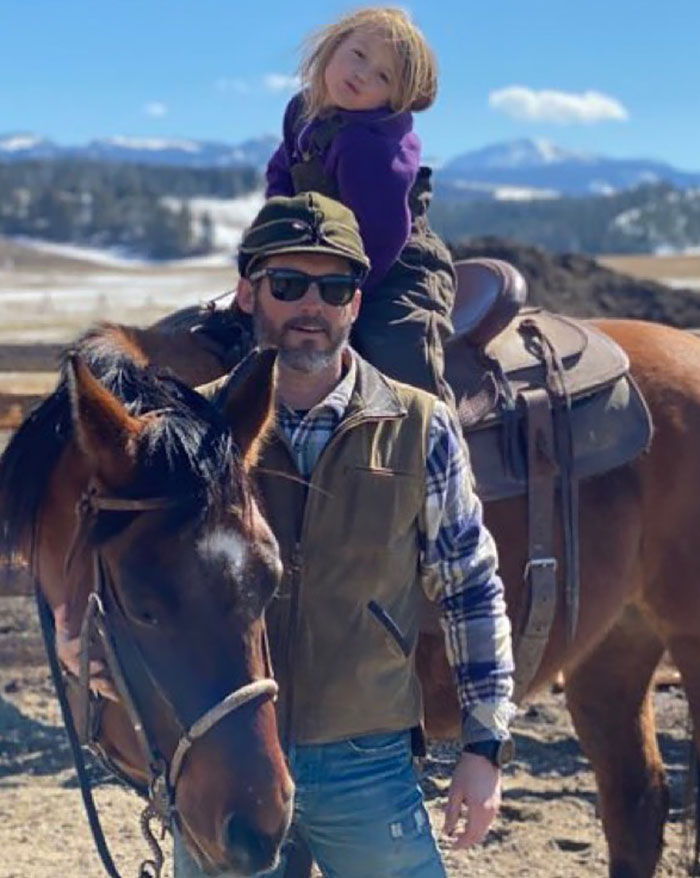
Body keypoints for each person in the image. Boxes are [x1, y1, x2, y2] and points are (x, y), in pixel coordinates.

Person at [57, 193, 515, 878]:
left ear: (356, 304)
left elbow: (469, 586)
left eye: (334, 287)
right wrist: (77, 639)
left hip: (363, 758)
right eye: (287, 283)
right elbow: (116, 565)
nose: (312, 305)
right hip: (222, 764)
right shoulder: (186, 431)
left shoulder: (420, 426)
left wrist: (485, 747)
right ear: (248, 294)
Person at [265, 6, 456, 403]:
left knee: (396, 347)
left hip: (397, 267)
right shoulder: (303, 113)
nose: (363, 74)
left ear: (393, 97)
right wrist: (273, 250)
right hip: (324, 259)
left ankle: (432, 439)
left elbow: (384, 233)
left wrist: (345, 293)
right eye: (358, 55)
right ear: (334, 47)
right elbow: (282, 173)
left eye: (383, 76)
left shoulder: (370, 145)